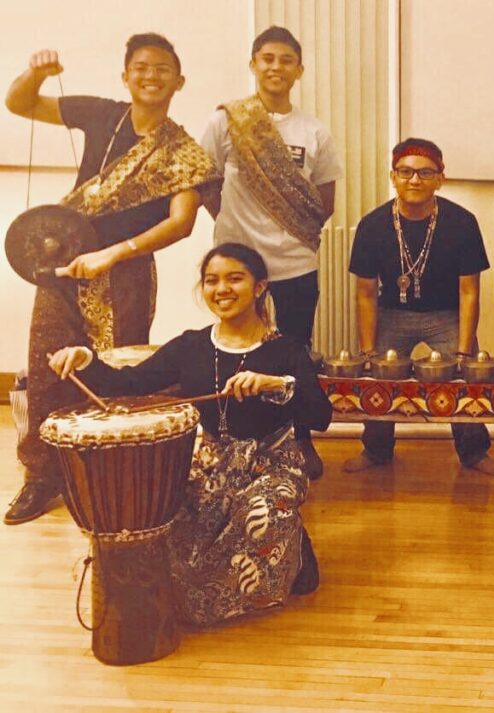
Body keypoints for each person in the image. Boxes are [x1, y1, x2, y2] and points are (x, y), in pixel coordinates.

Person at [48, 243, 332, 625]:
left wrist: (275, 384)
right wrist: (86, 359)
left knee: (258, 515)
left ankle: (296, 554)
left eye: (236, 278)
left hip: (272, 465)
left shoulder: (287, 351)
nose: (222, 289)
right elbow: (130, 383)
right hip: (210, 461)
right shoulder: (191, 345)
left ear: (260, 286)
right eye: (212, 281)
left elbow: (321, 415)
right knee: (168, 519)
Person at [4, 35, 221, 525]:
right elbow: (18, 102)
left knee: (119, 370)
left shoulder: (182, 150)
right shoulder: (101, 113)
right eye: (141, 67)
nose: (151, 76)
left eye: (162, 68)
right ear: (126, 76)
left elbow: (181, 221)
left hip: (125, 274)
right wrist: (35, 72)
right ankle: (42, 477)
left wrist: (113, 254)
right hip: (61, 267)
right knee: (46, 369)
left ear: (179, 80)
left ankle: (115, 474)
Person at [200, 26, 340, 481]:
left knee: (295, 351)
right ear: (253, 65)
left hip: (296, 261)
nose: (275, 67)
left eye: (285, 60)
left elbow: (325, 202)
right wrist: (237, 234)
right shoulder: (227, 121)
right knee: (237, 347)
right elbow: (206, 186)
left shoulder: (314, 130)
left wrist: (289, 232)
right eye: (267, 58)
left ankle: (300, 438)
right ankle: (237, 436)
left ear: (299, 70)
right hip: (238, 263)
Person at [343, 138, 494, 475]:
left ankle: (473, 452)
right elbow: (365, 293)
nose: (414, 180)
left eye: (425, 172)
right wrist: (368, 349)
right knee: (379, 378)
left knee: (466, 379)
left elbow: (469, 292)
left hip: (445, 315)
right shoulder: (373, 226)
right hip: (393, 313)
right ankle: (376, 450)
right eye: (406, 171)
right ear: (393, 176)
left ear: (440, 178)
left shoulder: (462, 222)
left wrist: (463, 352)